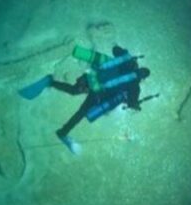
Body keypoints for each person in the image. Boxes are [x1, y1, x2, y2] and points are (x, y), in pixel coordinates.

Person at [19, 45, 151, 153]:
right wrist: (137, 106)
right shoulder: (135, 86)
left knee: (73, 90)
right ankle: (63, 132)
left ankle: (51, 82)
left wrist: (126, 54)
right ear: (143, 78)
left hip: (92, 78)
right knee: (81, 113)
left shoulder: (129, 63)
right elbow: (131, 103)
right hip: (98, 93)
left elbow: (115, 49)